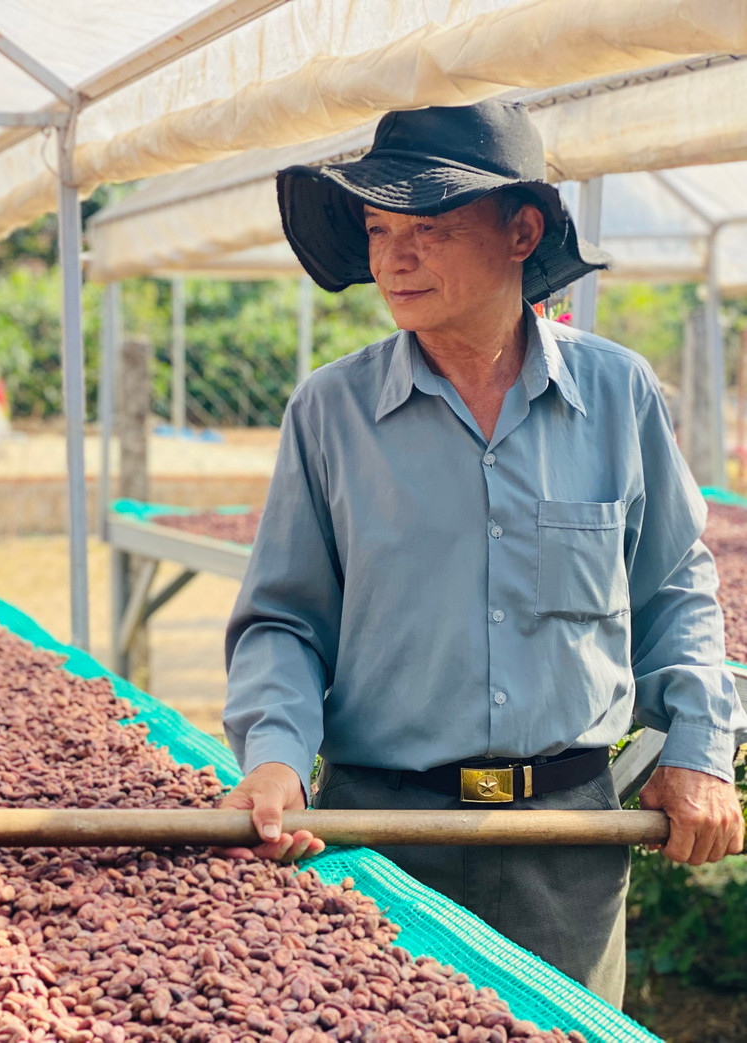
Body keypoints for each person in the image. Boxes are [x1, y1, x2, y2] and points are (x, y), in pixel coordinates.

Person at [219, 100, 747, 1005]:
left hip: (569, 843)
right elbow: (284, 620)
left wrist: (699, 744)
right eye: (378, 230)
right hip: (377, 836)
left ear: (522, 232)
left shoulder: (617, 393)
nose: (393, 258)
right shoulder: (331, 412)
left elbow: (672, 589)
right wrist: (274, 756)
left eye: (427, 228)